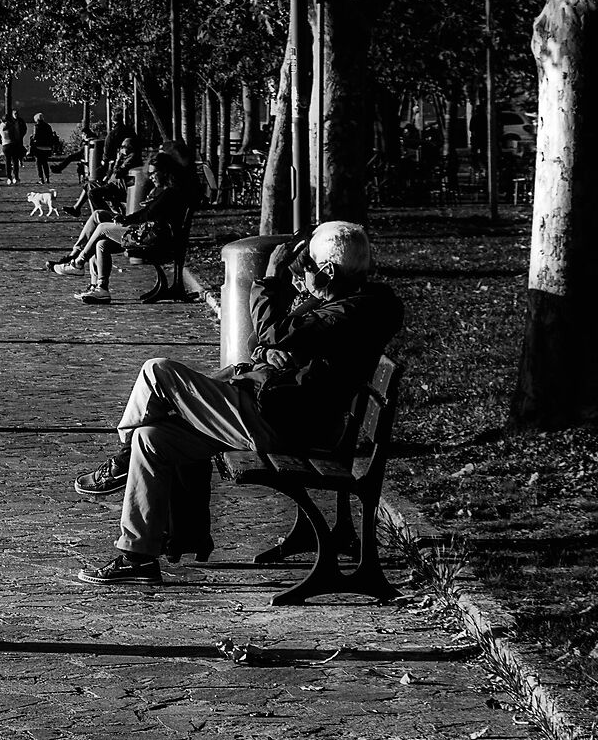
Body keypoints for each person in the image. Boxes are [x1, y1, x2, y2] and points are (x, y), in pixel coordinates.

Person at [67, 220, 404, 584]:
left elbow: (276, 331)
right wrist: (271, 349)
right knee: (153, 440)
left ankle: (121, 455)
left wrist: (271, 279)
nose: (300, 278)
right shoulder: (341, 301)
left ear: (327, 270)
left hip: (279, 420)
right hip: (269, 405)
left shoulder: (355, 310)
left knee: (157, 372)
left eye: (305, 268)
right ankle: (138, 555)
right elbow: (272, 340)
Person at [61, 141, 198, 304]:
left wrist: (126, 220)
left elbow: (148, 214)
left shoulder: (170, 193)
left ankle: (78, 262)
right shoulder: (167, 190)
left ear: (165, 172)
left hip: (154, 238)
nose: (151, 177)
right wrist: (125, 218)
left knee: (102, 228)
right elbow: (148, 213)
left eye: (155, 173)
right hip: (152, 233)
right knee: (101, 243)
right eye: (150, 173)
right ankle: (100, 288)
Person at [30, 113, 64, 181]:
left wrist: (32, 138)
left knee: (38, 164)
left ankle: (41, 178)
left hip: (38, 147)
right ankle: (47, 177)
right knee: (45, 163)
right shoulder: (48, 126)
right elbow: (51, 136)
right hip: (47, 147)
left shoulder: (36, 126)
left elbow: (35, 136)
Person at [1, 110, 29, 183]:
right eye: (15, 114)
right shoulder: (13, 125)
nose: (16, 115)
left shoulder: (0, 127)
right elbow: (17, 134)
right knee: (14, 161)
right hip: (14, 144)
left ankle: (9, 178)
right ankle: (16, 177)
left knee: (8, 161)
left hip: (6, 145)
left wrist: (3, 143)